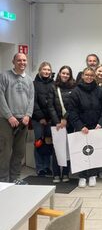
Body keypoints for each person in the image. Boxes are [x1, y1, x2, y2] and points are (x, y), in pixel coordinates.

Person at [68, 67, 102, 188]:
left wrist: (100, 124)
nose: (89, 77)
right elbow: (72, 111)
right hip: (81, 128)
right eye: (87, 75)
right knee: (82, 152)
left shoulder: (100, 91)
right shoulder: (76, 91)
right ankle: (82, 176)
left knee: (93, 152)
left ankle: (93, 175)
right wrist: (80, 126)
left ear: (94, 77)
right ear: (82, 76)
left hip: (96, 127)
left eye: (91, 75)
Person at [0, 53, 34, 184]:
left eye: (24, 60)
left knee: (19, 152)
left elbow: (31, 99)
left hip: (23, 120)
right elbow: (1, 98)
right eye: (19, 60)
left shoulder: (29, 80)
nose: (22, 62)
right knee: (5, 151)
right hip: (6, 120)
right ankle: (3, 180)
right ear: (13, 61)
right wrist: (9, 116)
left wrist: (28, 115)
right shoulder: (4, 76)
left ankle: (15, 178)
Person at [47, 65, 76, 183]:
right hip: (56, 123)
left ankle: (65, 173)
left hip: (69, 123)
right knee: (56, 149)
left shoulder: (74, 87)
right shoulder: (53, 86)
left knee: (67, 148)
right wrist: (58, 121)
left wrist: (65, 119)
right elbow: (50, 106)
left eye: (67, 74)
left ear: (70, 75)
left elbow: (73, 106)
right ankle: (56, 174)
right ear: (59, 73)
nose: (65, 75)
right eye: (63, 73)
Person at [32, 61, 55, 177]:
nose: (46, 72)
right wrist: (40, 117)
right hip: (38, 119)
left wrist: (52, 118)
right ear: (40, 71)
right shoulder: (34, 84)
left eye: (48, 70)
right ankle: (40, 168)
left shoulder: (54, 84)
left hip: (51, 119)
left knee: (49, 142)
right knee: (39, 143)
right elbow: (33, 102)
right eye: (44, 69)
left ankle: (47, 167)